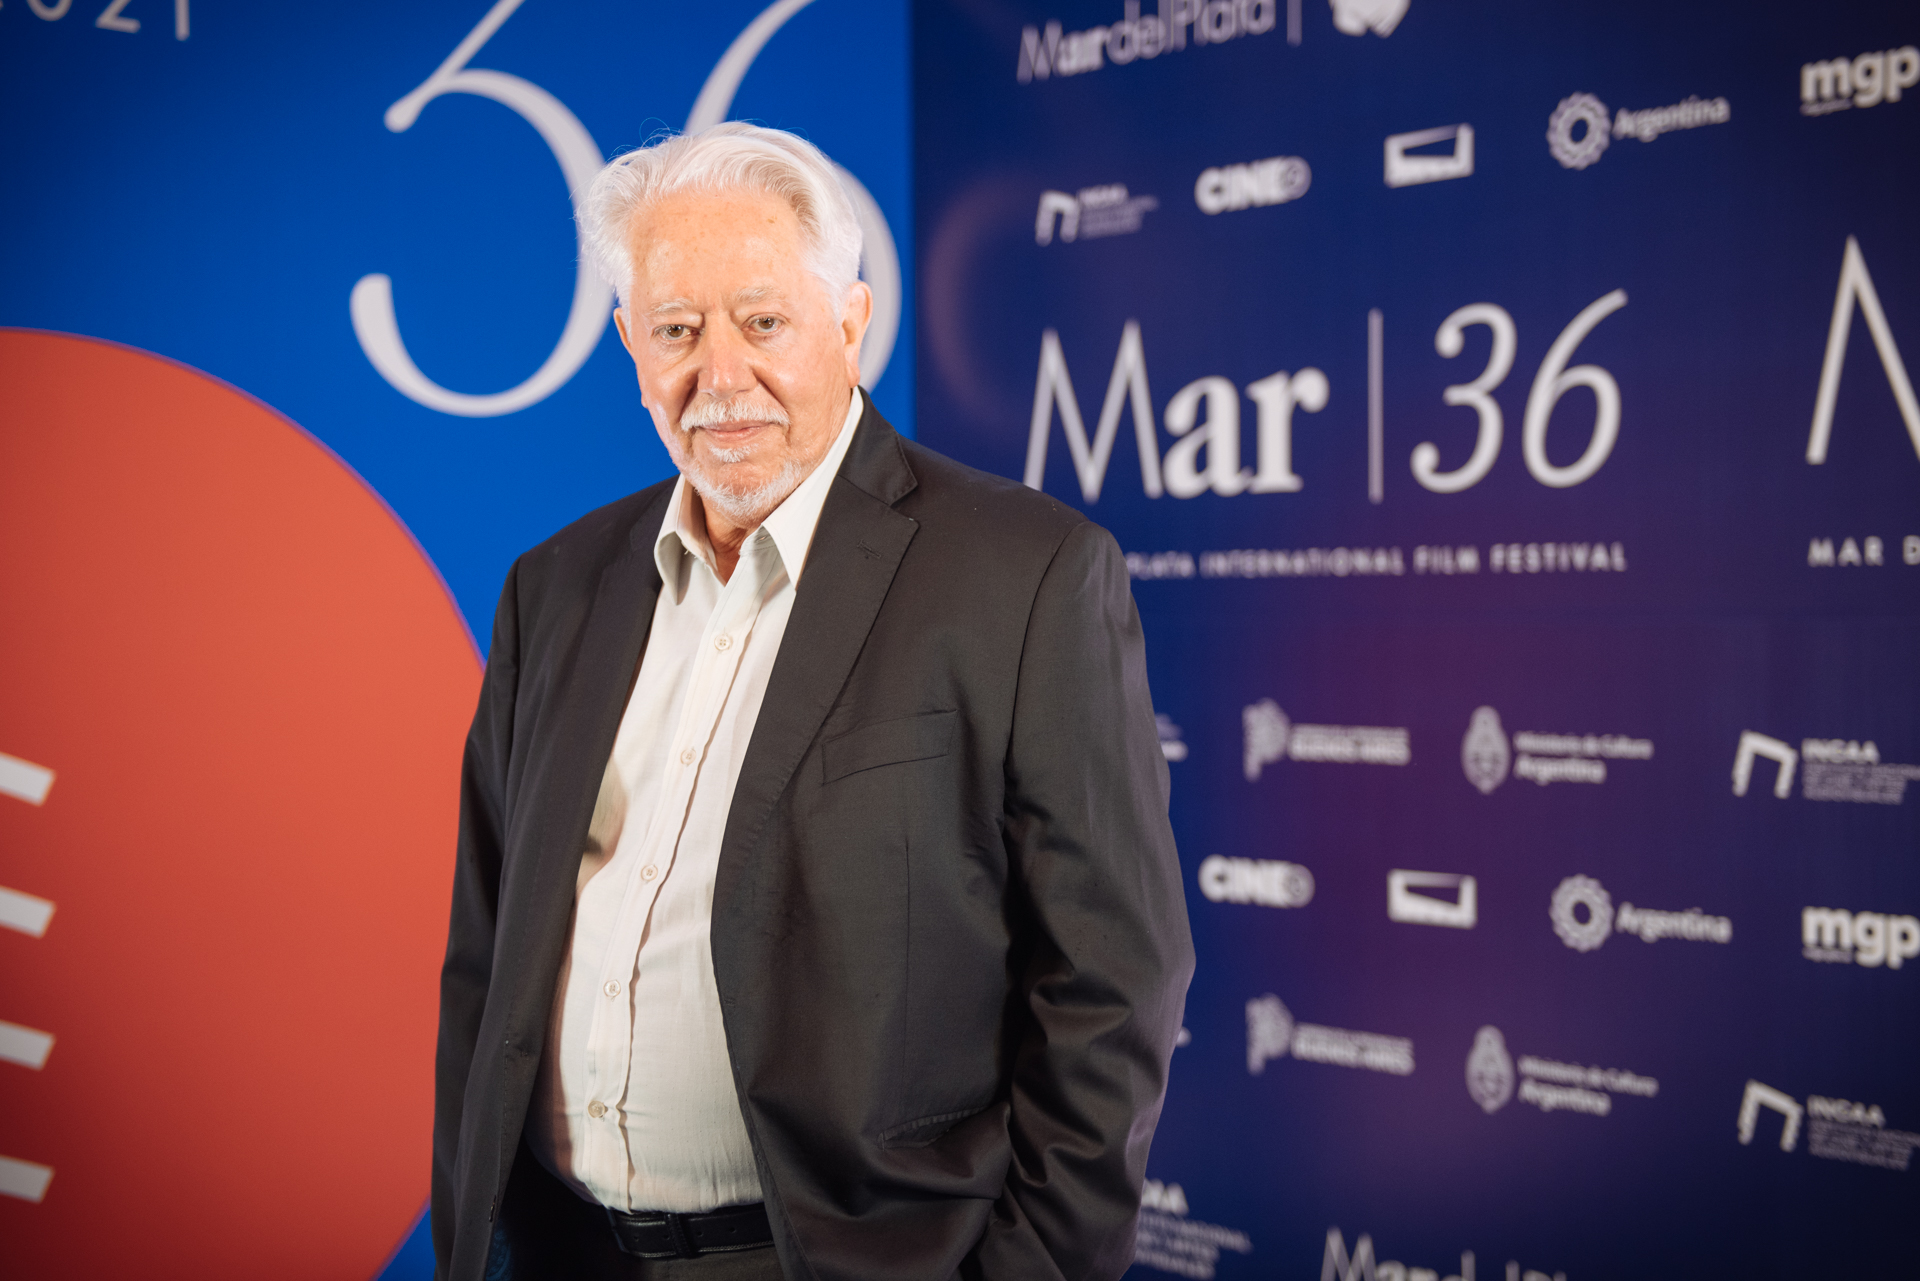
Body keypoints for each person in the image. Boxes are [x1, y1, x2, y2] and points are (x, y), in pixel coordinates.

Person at [432, 122, 1193, 1281]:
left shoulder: (1026, 575)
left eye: (763, 322)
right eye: (677, 330)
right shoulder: (555, 587)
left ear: (851, 322)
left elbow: (1110, 980)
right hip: (558, 1253)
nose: (720, 376)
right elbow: (486, 961)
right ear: (630, 343)